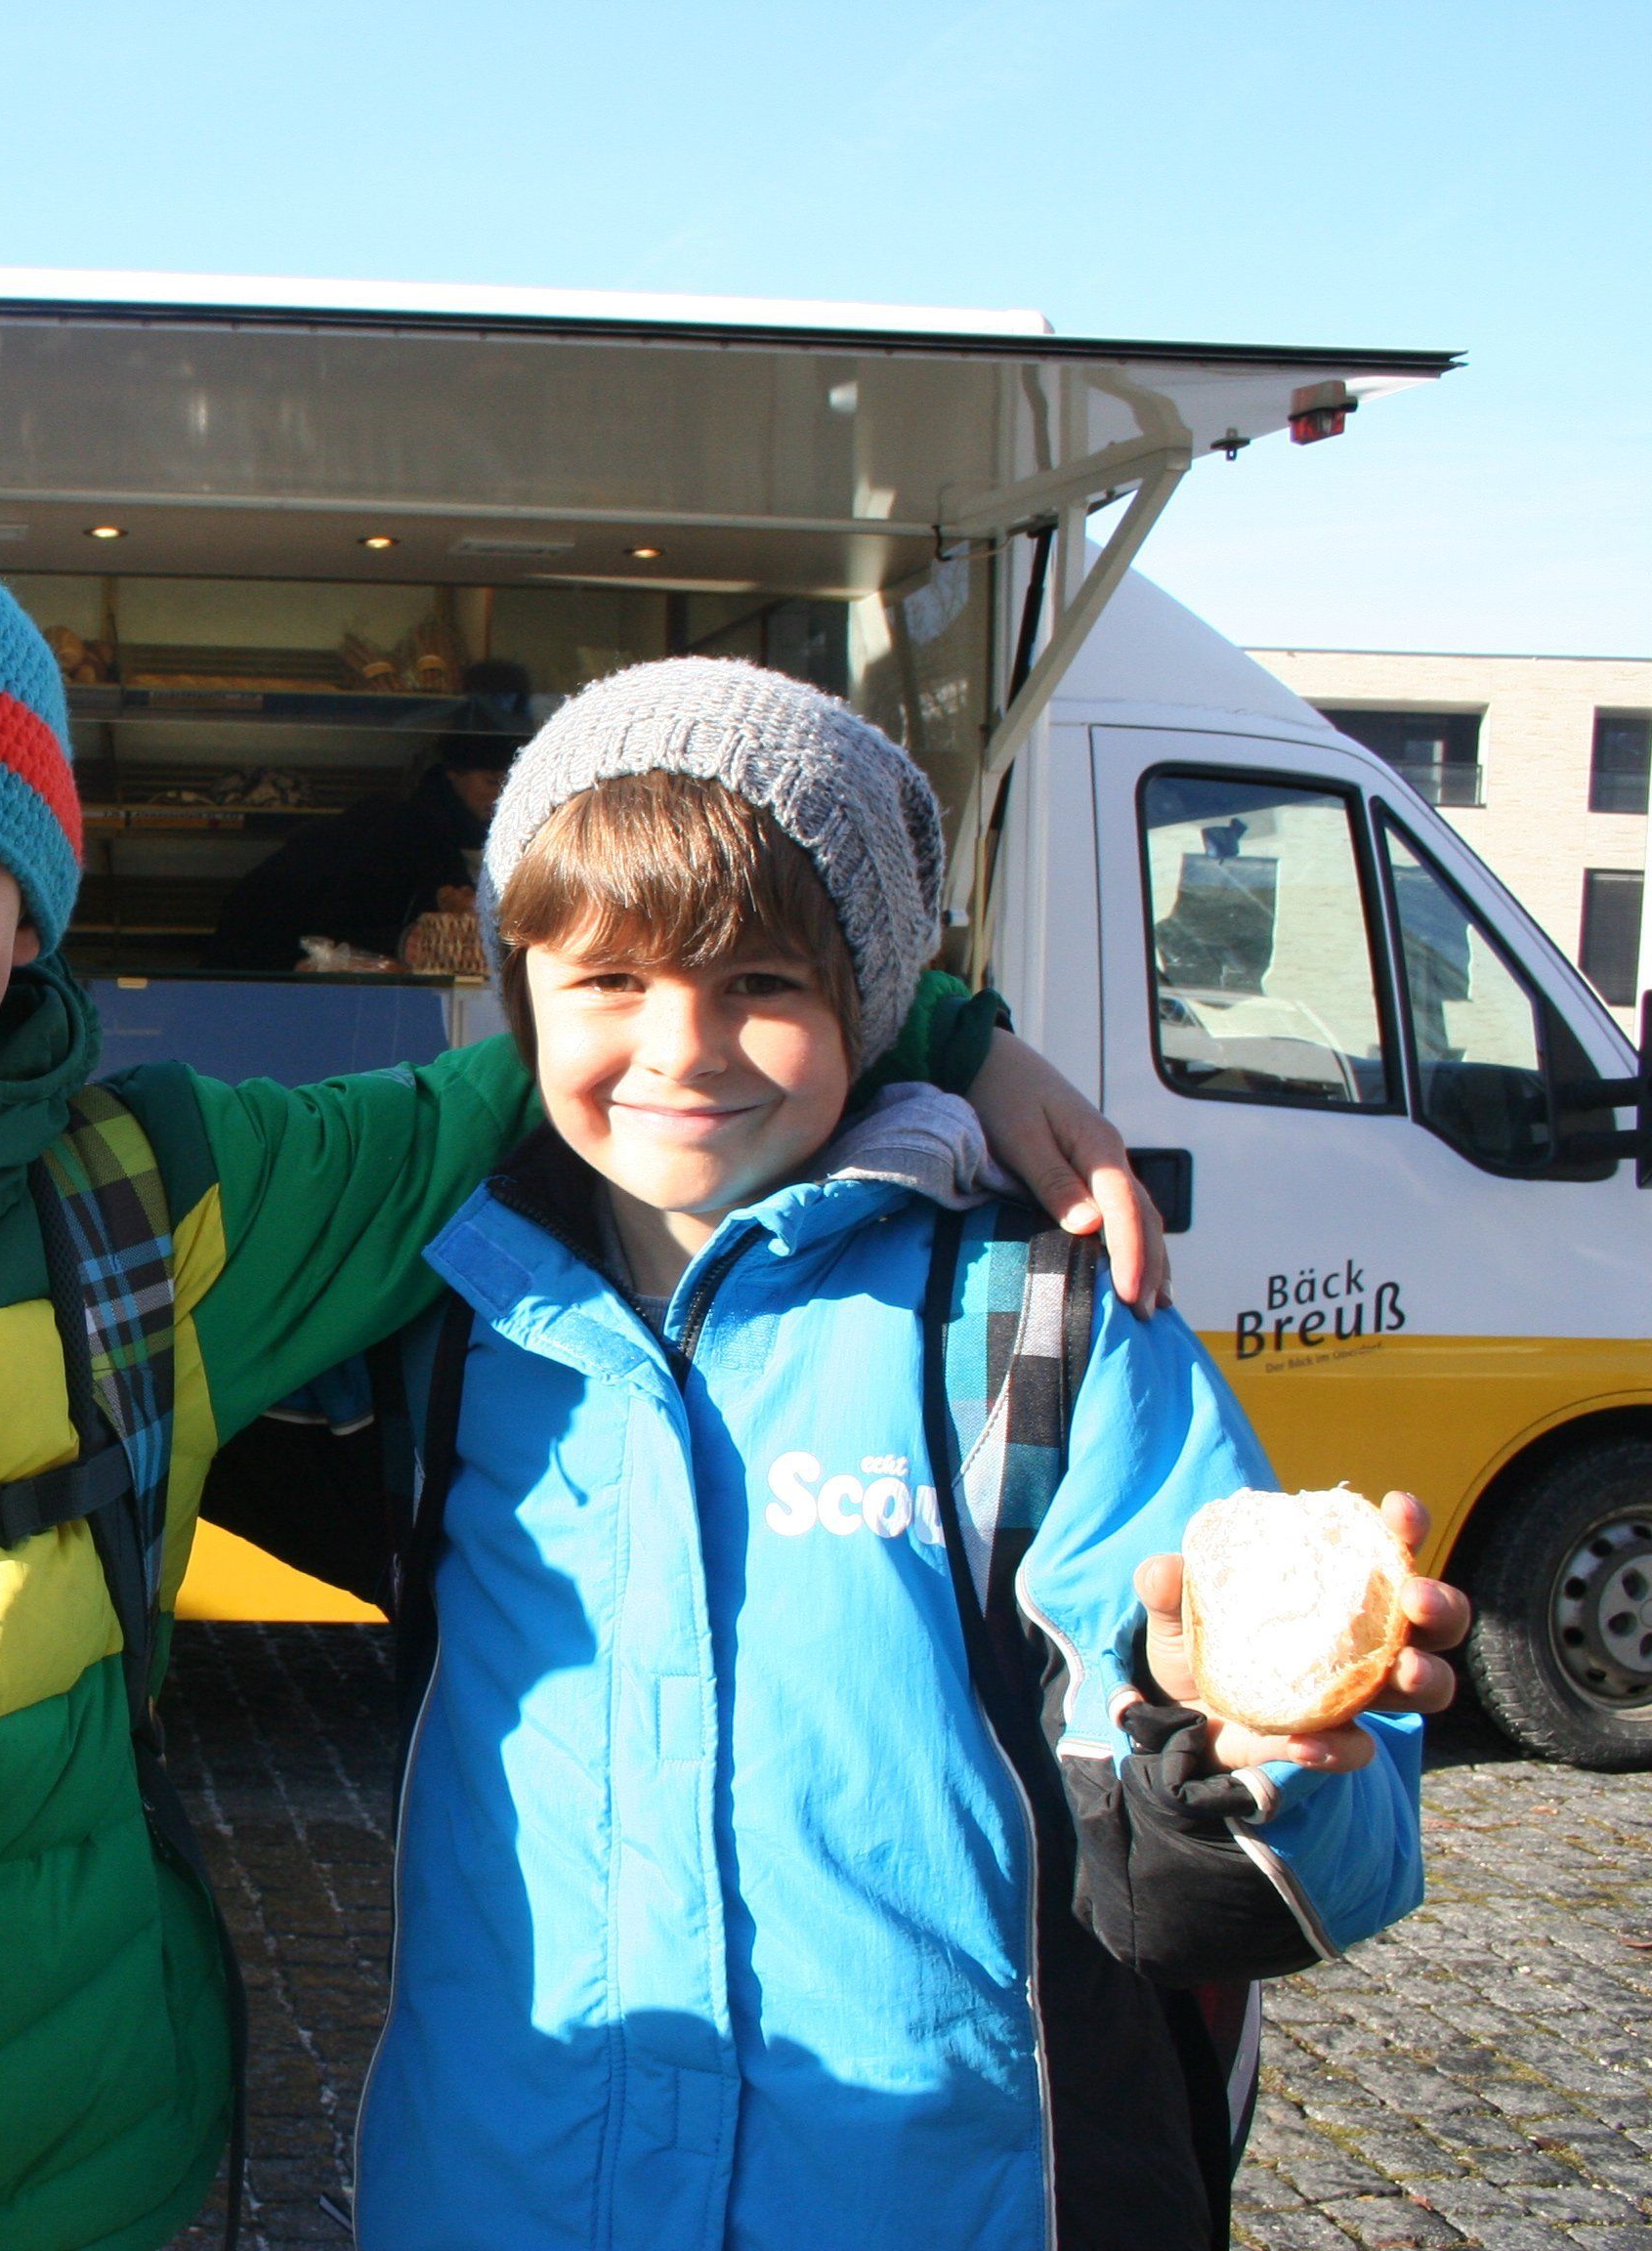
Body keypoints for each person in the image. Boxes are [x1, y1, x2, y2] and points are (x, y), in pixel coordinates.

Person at [0, 458, 1150, 2251]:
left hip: (80, 2173)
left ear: (31, 898)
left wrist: (936, 1024)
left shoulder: (160, 1199)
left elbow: (553, 1057)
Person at [348, 658, 1467, 2251]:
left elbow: (1287, 1848)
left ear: (866, 1000)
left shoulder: (1031, 1320)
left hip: (940, 2195)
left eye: (759, 981)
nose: (682, 1045)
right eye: (609, 978)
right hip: (501, 2187)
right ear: (520, 987)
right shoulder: (444, 1307)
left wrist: (1241, 1749)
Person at [199, 656, 529, 970]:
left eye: (510, 782)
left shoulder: (440, 827)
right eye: (491, 781)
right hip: (260, 966)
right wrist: (405, 940)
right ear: (454, 774)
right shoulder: (408, 831)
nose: (501, 795)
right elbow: (341, 922)